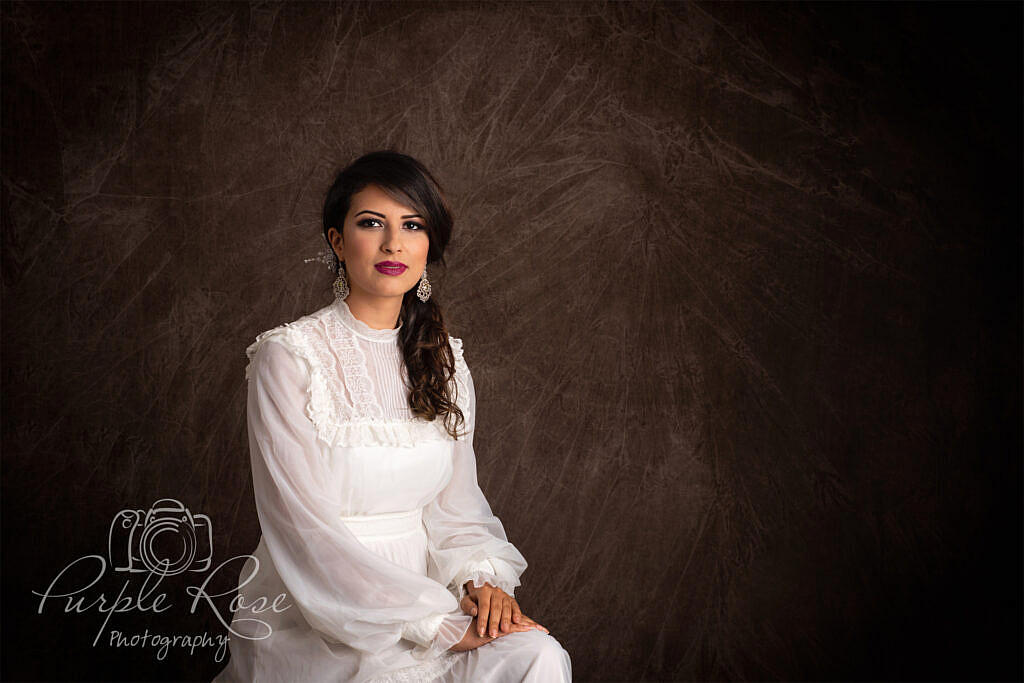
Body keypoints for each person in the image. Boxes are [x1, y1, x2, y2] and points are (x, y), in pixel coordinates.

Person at [212, 151, 572, 683]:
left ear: (429, 245)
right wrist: (435, 623)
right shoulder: (288, 356)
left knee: (537, 657)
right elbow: (301, 530)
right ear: (337, 241)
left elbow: (456, 506)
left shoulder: (445, 360)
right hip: (322, 614)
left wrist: (480, 582)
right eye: (371, 223)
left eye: (412, 225)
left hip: (432, 597)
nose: (392, 243)